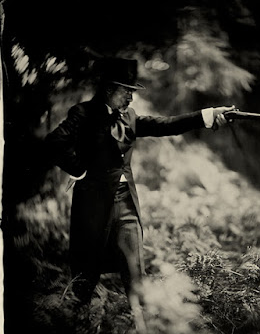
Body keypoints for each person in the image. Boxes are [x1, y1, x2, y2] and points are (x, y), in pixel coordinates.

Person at [45, 57, 234, 306]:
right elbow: (54, 142)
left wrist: (207, 115)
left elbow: (165, 125)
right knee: (85, 276)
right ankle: (77, 321)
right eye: (126, 91)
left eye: (132, 92)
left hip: (126, 204)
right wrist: (79, 169)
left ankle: (141, 324)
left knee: (135, 273)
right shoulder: (83, 113)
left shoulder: (129, 117)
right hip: (92, 206)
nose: (131, 98)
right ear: (109, 89)